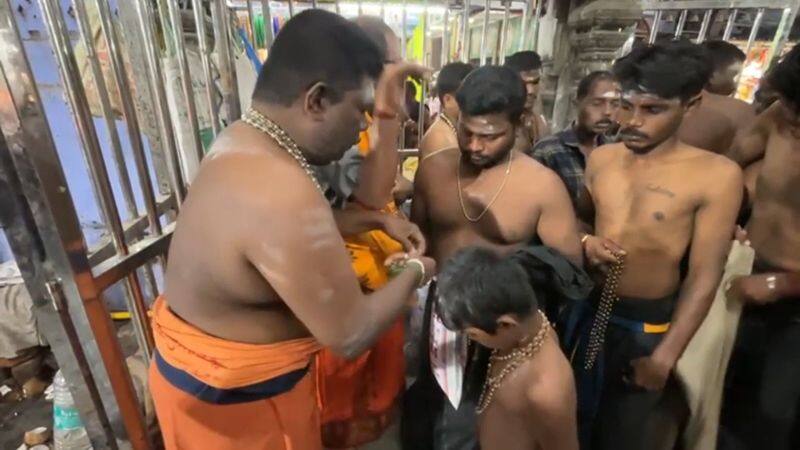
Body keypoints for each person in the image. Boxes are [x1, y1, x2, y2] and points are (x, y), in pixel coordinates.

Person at [148, 10, 435, 450]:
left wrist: (375, 219)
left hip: (201, 387)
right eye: (359, 109)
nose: (364, 125)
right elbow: (351, 333)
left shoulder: (241, 143)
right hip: (238, 412)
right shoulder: (282, 189)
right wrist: (417, 271)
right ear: (316, 100)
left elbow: (267, 238)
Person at [564, 41, 743, 450]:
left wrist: (665, 356)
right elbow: (577, 220)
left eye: (652, 109)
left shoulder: (716, 176)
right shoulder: (603, 159)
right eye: (626, 106)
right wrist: (586, 241)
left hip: (648, 327)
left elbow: (705, 274)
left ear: (691, 104)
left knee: (625, 434)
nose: (631, 121)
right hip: (586, 311)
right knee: (572, 423)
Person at [404, 65, 583, 450]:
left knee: (474, 426)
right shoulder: (435, 169)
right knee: (428, 411)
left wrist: (507, 279)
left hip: (497, 325)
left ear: (519, 122)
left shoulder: (542, 186)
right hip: (438, 311)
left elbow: (569, 270)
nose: (474, 146)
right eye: (465, 132)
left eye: (489, 136)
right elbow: (418, 237)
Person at [720, 44, 800, 450]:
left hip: (792, 303)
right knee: (718, 389)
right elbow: (729, 165)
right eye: (786, 101)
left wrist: (780, 284)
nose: (788, 113)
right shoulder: (781, 118)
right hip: (748, 266)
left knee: (771, 413)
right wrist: (728, 215)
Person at [436, 246, 585, 450]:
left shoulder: (546, 391)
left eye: (472, 335)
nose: (471, 340)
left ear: (505, 324)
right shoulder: (527, 328)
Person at [532, 71, 620, 206]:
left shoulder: (615, 151)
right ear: (577, 103)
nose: (607, 112)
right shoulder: (548, 150)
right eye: (597, 103)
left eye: (614, 104)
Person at [678, 41, 755, 155]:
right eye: (734, 75)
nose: (735, 84)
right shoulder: (739, 110)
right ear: (713, 75)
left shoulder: (667, 101)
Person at [419, 62, 474, 160]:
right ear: (448, 100)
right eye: (467, 96)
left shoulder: (451, 129)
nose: (473, 101)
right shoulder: (441, 140)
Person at [505, 51, 551, 151]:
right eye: (523, 83)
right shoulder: (503, 121)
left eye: (535, 82)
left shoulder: (538, 116)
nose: (530, 91)